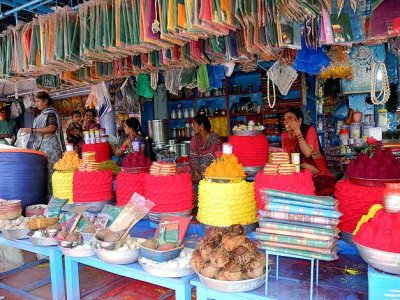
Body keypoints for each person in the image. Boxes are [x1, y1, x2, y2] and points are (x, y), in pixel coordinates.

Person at [281, 107, 335, 195]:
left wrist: (297, 130)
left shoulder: (309, 130)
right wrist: (303, 165)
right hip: (298, 169)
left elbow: (307, 153)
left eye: (290, 118)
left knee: (317, 190)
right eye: (285, 119)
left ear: (299, 121)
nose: (286, 122)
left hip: (317, 170)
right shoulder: (284, 136)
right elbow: (287, 159)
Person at [21, 91, 66, 197]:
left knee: (52, 174)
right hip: (43, 147)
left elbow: (52, 128)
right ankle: (46, 198)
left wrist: (33, 130)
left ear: (45, 101)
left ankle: (54, 198)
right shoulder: (42, 115)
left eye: (38, 101)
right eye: (35, 102)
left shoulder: (50, 113)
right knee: (44, 174)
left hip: (51, 148)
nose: (36, 104)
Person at [190, 115, 222, 183]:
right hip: (198, 171)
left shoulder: (215, 138)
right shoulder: (194, 139)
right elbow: (193, 158)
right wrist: (196, 172)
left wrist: (201, 174)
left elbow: (212, 157)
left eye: (194, 125)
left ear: (201, 126)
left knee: (204, 162)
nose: (193, 127)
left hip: (212, 171)